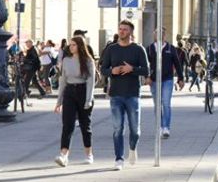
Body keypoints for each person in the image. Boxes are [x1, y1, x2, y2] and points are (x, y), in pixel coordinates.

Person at [100, 20, 150, 171]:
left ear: (130, 32)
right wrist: (111, 72)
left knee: (135, 129)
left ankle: (133, 148)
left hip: (132, 94)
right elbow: (103, 68)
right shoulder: (111, 49)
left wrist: (132, 69)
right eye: (120, 29)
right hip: (116, 94)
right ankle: (119, 159)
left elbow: (146, 70)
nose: (122, 32)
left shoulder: (138, 49)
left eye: (125, 30)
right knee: (117, 128)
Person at [54, 36, 95, 167]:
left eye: (73, 45)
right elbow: (63, 81)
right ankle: (63, 155)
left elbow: (91, 81)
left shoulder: (88, 61)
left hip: (83, 92)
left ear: (80, 46)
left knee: (85, 125)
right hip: (70, 93)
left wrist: (88, 99)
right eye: (70, 45)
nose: (70, 47)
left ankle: (89, 154)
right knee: (67, 124)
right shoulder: (66, 60)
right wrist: (59, 101)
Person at [146, 28, 185, 139]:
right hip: (154, 80)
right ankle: (159, 127)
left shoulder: (170, 48)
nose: (158, 36)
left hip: (167, 79)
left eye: (161, 34)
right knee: (157, 105)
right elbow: (144, 64)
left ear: (164, 36)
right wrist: (147, 77)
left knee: (166, 104)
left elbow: (177, 64)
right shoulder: (149, 49)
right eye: (156, 34)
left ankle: (166, 127)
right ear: (154, 35)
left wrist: (180, 78)